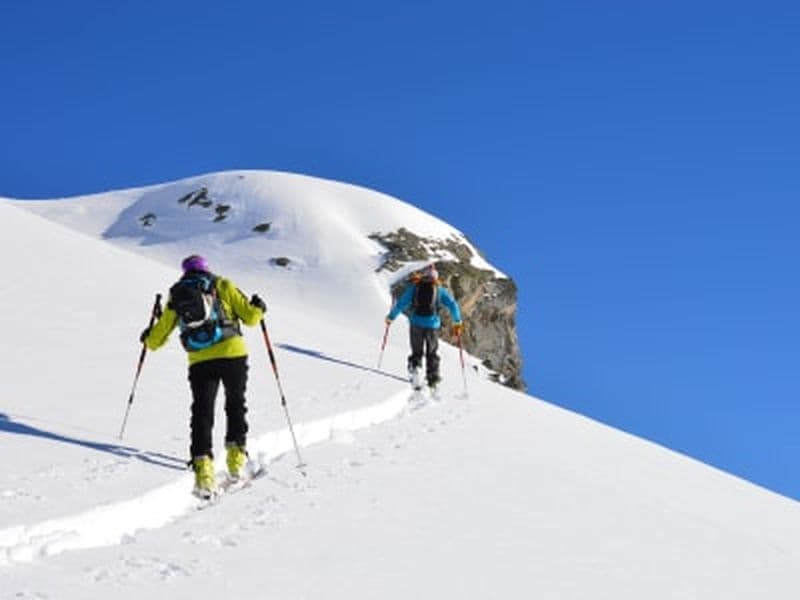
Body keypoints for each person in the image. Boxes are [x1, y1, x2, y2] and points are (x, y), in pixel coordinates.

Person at [141, 255, 266, 498]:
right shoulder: (222, 285)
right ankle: (236, 462)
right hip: (232, 354)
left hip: (199, 361)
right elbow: (251, 318)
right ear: (206, 268)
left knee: (202, 412)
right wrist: (259, 307)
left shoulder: (177, 295)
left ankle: (204, 472)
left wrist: (148, 337)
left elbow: (157, 339)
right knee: (235, 405)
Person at [385, 264, 463, 389]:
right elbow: (453, 305)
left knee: (417, 351)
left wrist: (391, 317)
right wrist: (457, 322)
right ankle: (433, 378)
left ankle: (415, 368)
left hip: (416, 323)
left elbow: (401, 304)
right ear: (435, 278)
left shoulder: (415, 287)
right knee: (432, 352)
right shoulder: (439, 289)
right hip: (432, 325)